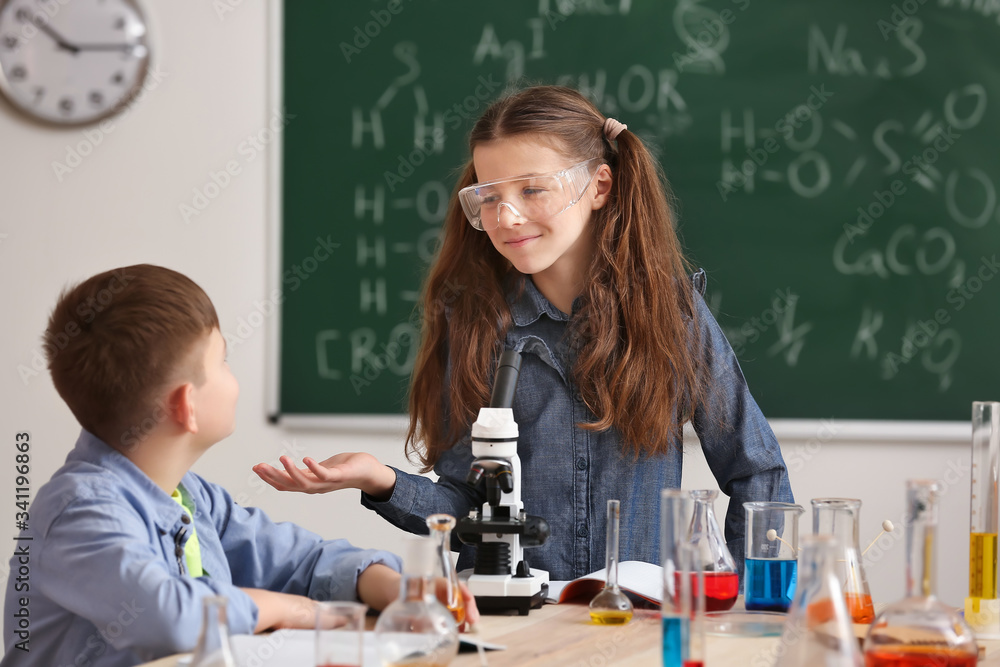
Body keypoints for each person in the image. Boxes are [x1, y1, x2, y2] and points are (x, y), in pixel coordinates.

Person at [253, 85, 793, 582]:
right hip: (510, 630)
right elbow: (466, 508)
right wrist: (381, 481)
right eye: (488, 196)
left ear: (599, 186)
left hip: (635, 626)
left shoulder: (671, 315)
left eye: (532, 189)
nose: (506, 217)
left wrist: (746, 602)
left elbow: (757, 474)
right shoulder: (472, 325)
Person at [1, 265, 475, 667]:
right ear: (186, 405)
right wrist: (289, 609)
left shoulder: (189, 496)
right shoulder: (81, 513)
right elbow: (172, 619)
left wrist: (390, 586)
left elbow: (299, 560)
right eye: (223, 361)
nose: (234, 378)